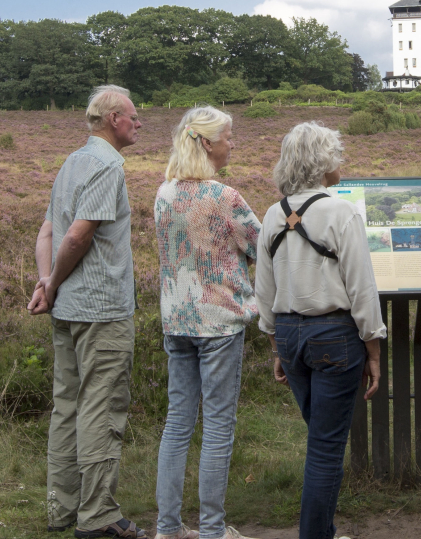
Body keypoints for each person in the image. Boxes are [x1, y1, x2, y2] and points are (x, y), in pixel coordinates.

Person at [253, 122, 386, 539]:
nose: (341, 161)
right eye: (336, 154)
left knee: (320, 438)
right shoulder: (341, 212)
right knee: (327, 447)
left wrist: (277, 345)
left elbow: (264, 290)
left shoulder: (273, 214)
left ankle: (321, 530)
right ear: (322, 162)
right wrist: (375, 349)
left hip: (291, 337)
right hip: (335, 336)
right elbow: (361, 286)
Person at [28, 84, 148, 539]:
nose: (139, 124)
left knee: (68, 405)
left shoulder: (72, 162)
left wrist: (47, 284)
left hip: (68, 310)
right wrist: (53, 283)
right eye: (134, 117)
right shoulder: (106, 165)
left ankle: (62, 509)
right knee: (101, 407)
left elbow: (47, 233)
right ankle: (97, 517)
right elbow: (76, 235)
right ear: (114, 118)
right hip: (101, 311)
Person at [152, 106, 263, 539]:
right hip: (217, 322)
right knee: (218, 425)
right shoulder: (224, 197)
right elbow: (261, 246)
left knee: (177, 422)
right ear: (207, 143)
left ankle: (168, 528)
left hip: (176, 318)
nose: (232, 143)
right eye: (228, 137)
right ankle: (213, 531)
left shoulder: (164, 193)